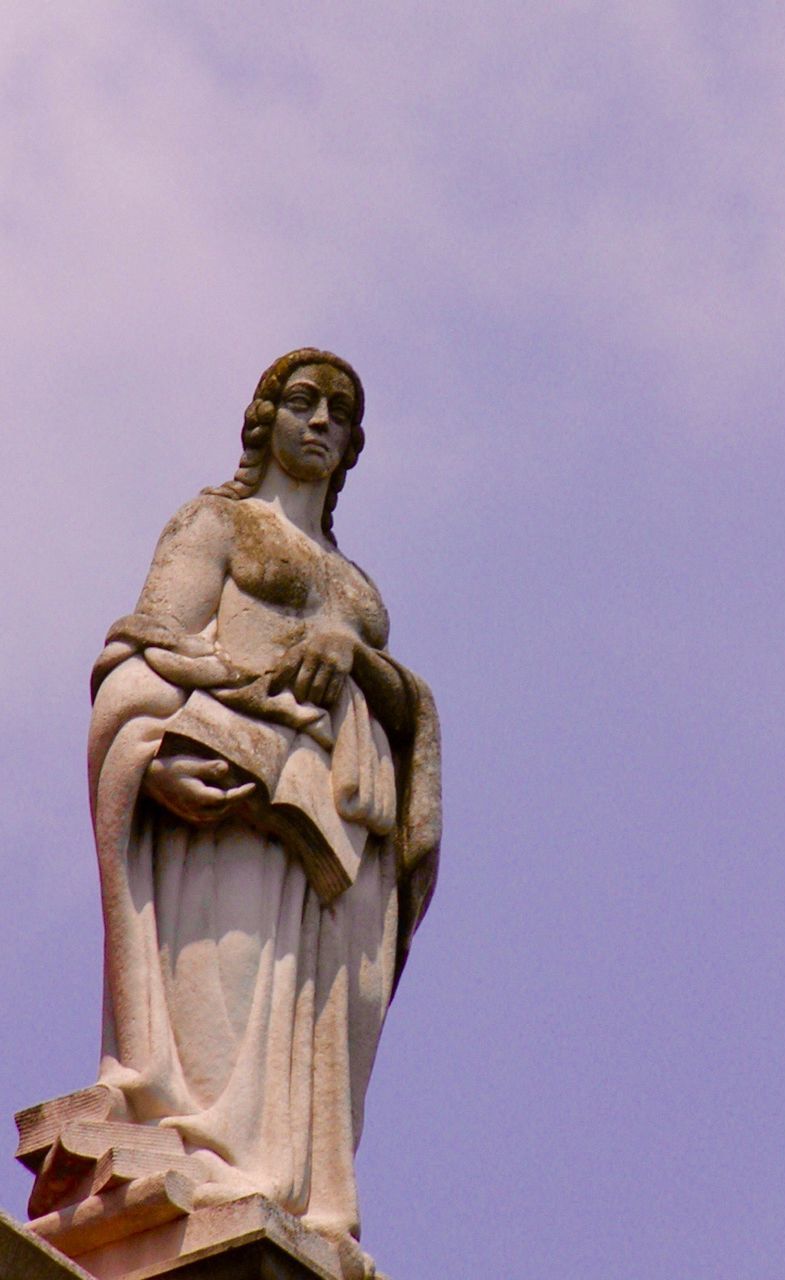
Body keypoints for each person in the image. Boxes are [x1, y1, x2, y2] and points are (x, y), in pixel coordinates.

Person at [86, 348, 441, 1277]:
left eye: (341, 411)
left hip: (345, 836)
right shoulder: (217, 522)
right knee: (227, 1008)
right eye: (303, 401)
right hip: (238, 805)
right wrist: (151, 755)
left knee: (325, 1046)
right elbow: (141, 655)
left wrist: (354, 657)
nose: (322, 420)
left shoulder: (358, 592)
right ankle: (209, 1177)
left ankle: (308, 1208)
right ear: (263, 420)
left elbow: (407, 717)